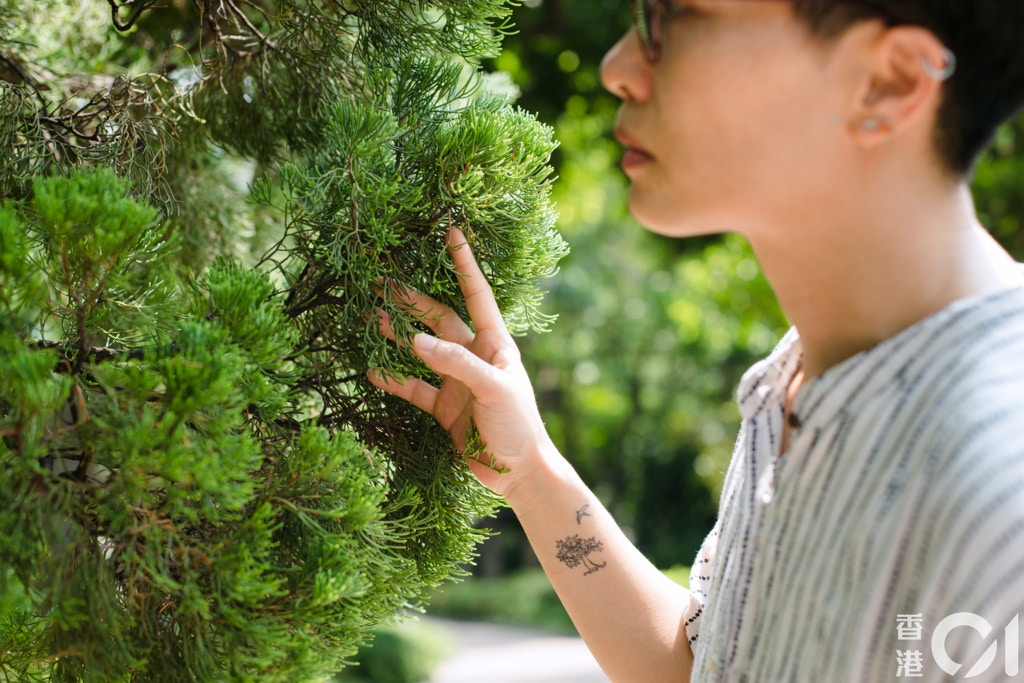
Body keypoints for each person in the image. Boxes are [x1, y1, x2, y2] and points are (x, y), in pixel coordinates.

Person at [370, 1, 1024, 680]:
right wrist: (531, 472)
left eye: (673, 17)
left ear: (886, 82)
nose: (617, 66)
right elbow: (700, 666)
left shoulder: (1000, 489)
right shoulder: (798, 380)